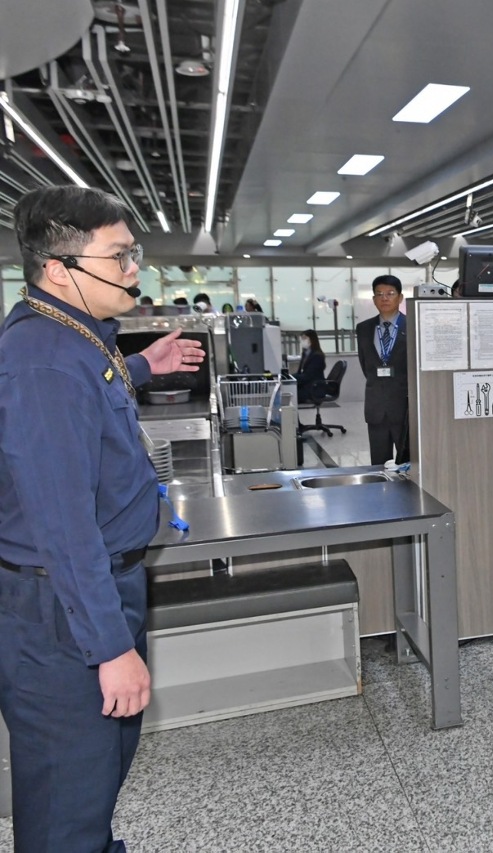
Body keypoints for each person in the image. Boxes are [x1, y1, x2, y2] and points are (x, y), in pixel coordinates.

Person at [0, 185, 206, 852]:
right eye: (118, 257)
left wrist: (146, 364)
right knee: (69, 801)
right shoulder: (45, 363)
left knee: (95, 779)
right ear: (59, 268)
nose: (133, 270)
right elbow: (63, 524)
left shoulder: (73, 336)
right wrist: (109, 647)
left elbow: (97, 387)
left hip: (93, 595)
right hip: (63, 614)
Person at [356, 274, 411, 465]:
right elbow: (366, 366)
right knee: (378, 465)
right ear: (373, 299)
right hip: (376, 407)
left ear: (400, 297)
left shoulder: (412, 325)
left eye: (390, 293)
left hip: (404, 408)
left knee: (408, 463)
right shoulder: (363, 328)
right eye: (379, 294)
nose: (384, 298)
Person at [295, 329, 327, 404]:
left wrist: (291, 377)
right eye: (301, 339)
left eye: (304, 338)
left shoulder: (317, 356)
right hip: (307, 385)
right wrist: (290, 378)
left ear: (312, 339)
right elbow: (300, 373)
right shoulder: (305, 354)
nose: (302, 341)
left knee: (290, 395)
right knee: (288, 392)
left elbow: (307, 376)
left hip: (314, 388)